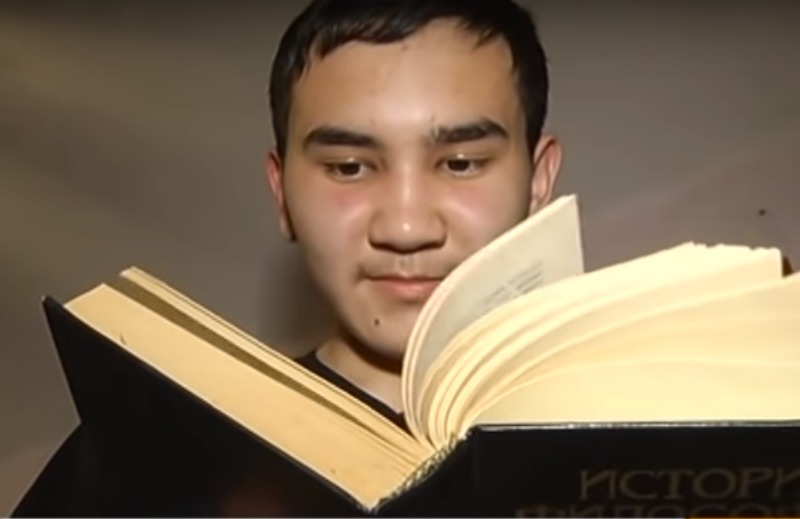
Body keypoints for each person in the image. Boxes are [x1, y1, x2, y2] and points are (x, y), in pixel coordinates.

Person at [12, 0, 562, 516]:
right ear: (282, 194)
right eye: (348, 167)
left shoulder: (605, 442)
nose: (406, 227)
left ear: (538, 182)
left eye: (461, 163)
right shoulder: (151, 451)